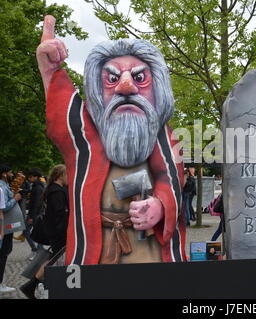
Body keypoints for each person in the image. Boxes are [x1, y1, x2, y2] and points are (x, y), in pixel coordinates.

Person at [37, 15, 186, 264]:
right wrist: (48, 66)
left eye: (140, 78)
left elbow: (172, 180)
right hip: (98, 255)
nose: (125, 87)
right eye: (112, 78)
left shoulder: (164, 136)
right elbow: (58, 106)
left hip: (149, 252)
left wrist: (161, 205)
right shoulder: (84, 134)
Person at [20, 164, 69, 299]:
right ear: (60, 176)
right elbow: (60, 215)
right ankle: (33, 285)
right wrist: (65, 233)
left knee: (53, 259)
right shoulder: (57, 191)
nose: (69, 177)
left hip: (55, 231)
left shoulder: (54, 189)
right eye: (67, 174)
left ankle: (33, 285)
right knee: (53, 260)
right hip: (57, 233)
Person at [0, 164, 21, 293]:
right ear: (4, 174)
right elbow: (4, 207)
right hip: (4, 226)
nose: (12, 175)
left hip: (5, 225)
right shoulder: (2, 187)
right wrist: (15, 199)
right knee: (4, 253)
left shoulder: (4, 186)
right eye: (10, 172)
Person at [24, 168, 45, 260]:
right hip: (38, 213)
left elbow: (35, 203)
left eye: (31, 177)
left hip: (34, 214)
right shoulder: (39, 186)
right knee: (37, 232)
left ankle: (36, 250)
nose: (29, 178)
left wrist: (31, 216)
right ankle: (40, 251)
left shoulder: (37, 187)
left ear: (36, 177)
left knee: (26, 232)